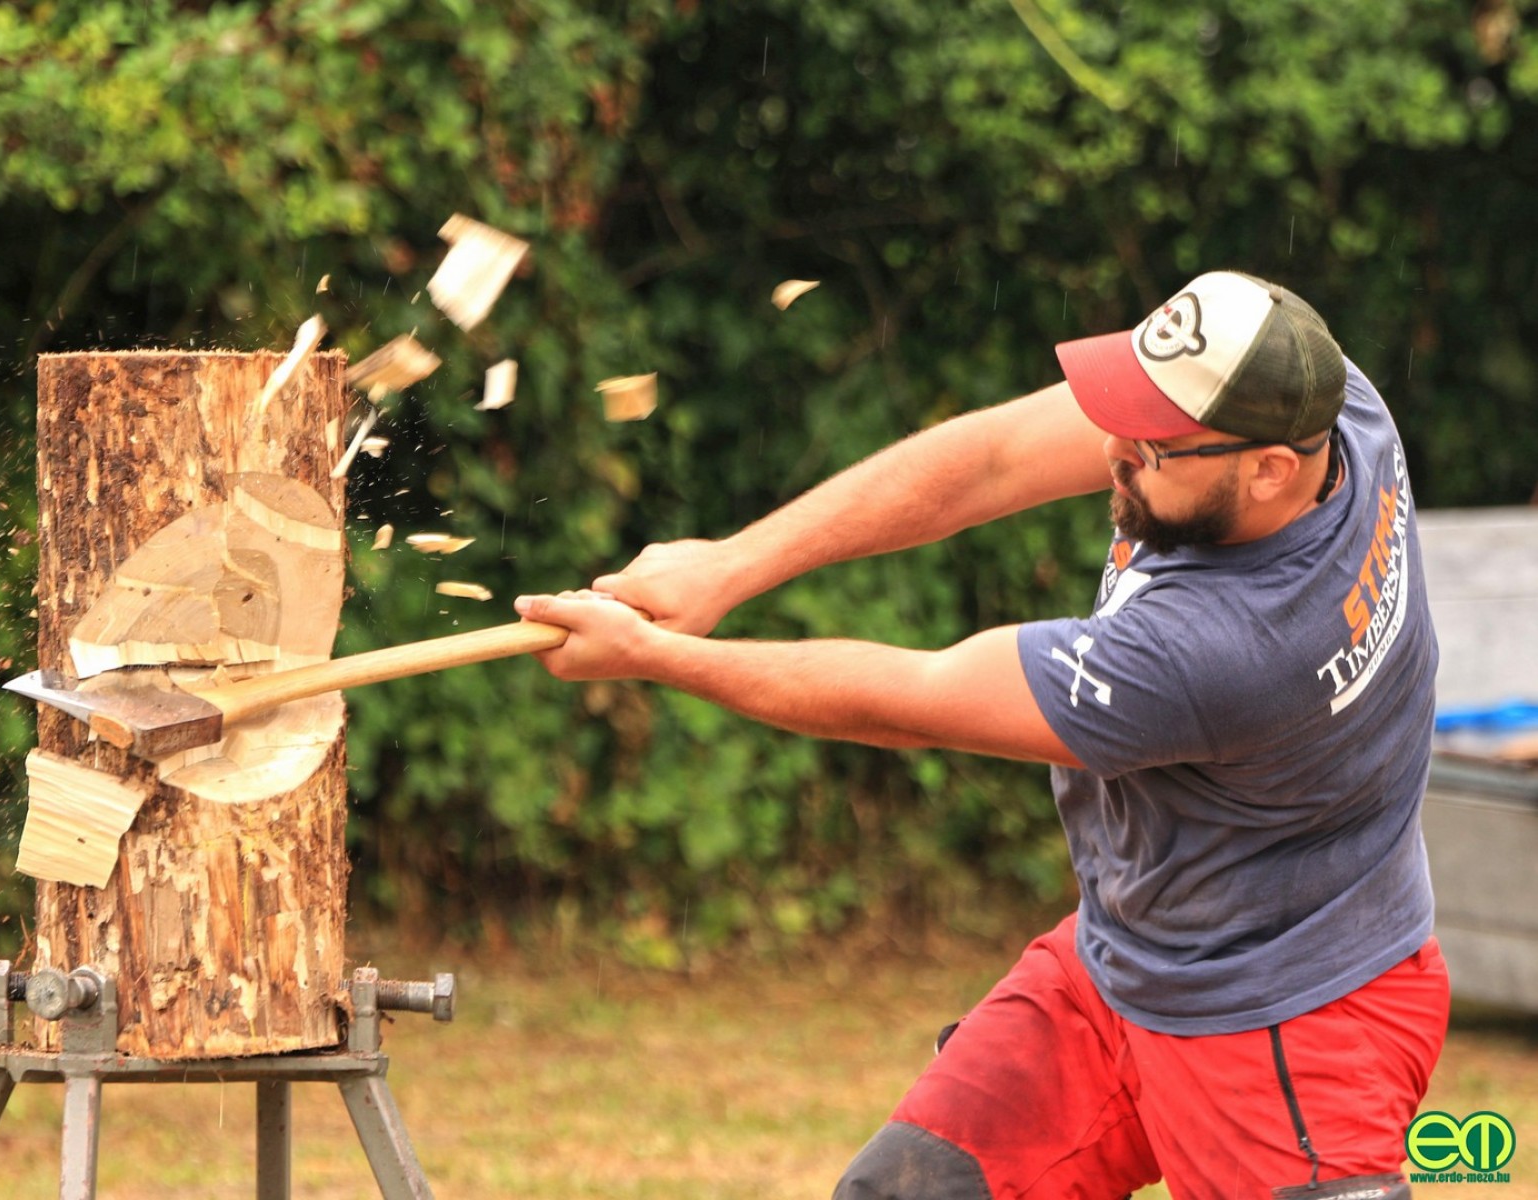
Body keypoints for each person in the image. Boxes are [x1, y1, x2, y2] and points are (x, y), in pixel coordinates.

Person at [514, 270, 1447, 1198]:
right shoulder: (1330, 403)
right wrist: (729, 567)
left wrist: (655, 658)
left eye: (1152, 445)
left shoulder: (1225, 650)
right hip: (1132, 957)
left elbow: (914, 694)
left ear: (1269, 470)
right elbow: (998, 457)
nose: (1113, 448)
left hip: (1293, 1013)